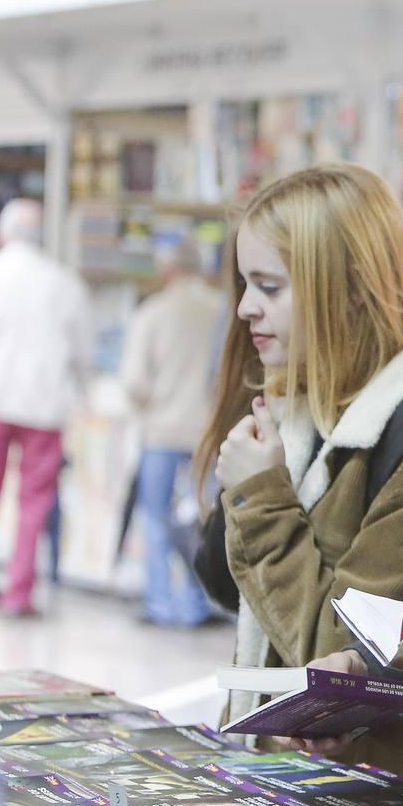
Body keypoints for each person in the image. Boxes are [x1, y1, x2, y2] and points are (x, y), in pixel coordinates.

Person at [191, 163, 403, 806]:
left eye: (269, 286)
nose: (244, 307)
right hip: (306, 794)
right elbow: (221, 584)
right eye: (245, 283)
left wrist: (260, 496)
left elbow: (340, 668)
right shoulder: (304, 408)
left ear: (341, 289)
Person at [0, 198, 91, 616]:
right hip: (44, 409)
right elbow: (83, 354)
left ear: (3, 233)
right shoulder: (64, 283)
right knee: (34, 503)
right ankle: (17, 594)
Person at [118, 237, 224, 627]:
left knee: (156, 517)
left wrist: (151, 401)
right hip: (207, 433)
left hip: (162, 432)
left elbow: (134, 382)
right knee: (205, 521)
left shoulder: (152, 312)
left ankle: (160, 603)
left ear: (166, 270)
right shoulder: (220, 310)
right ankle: (202, 602)